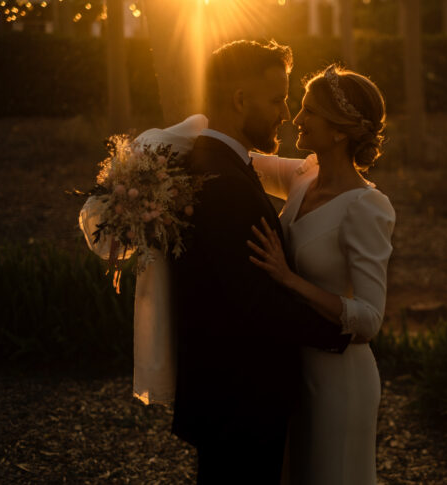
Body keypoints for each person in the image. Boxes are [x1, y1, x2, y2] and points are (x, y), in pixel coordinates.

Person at [168, 41, 352, 484]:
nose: (285, 114)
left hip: (224, 396)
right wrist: (341, 329)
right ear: (238, 100)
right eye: (276, 100)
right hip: (241, 402)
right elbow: (255, 301)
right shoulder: (225, 182)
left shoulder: (212, 162)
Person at [248, 64, 395, 485]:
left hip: (340, 380)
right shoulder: (301, 177)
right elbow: (237, 157)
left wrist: (288, 278)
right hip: (295, 369)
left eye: (309, 111)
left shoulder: (367, 208)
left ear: (339, 131)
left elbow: (369, 319)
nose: (296, 118)